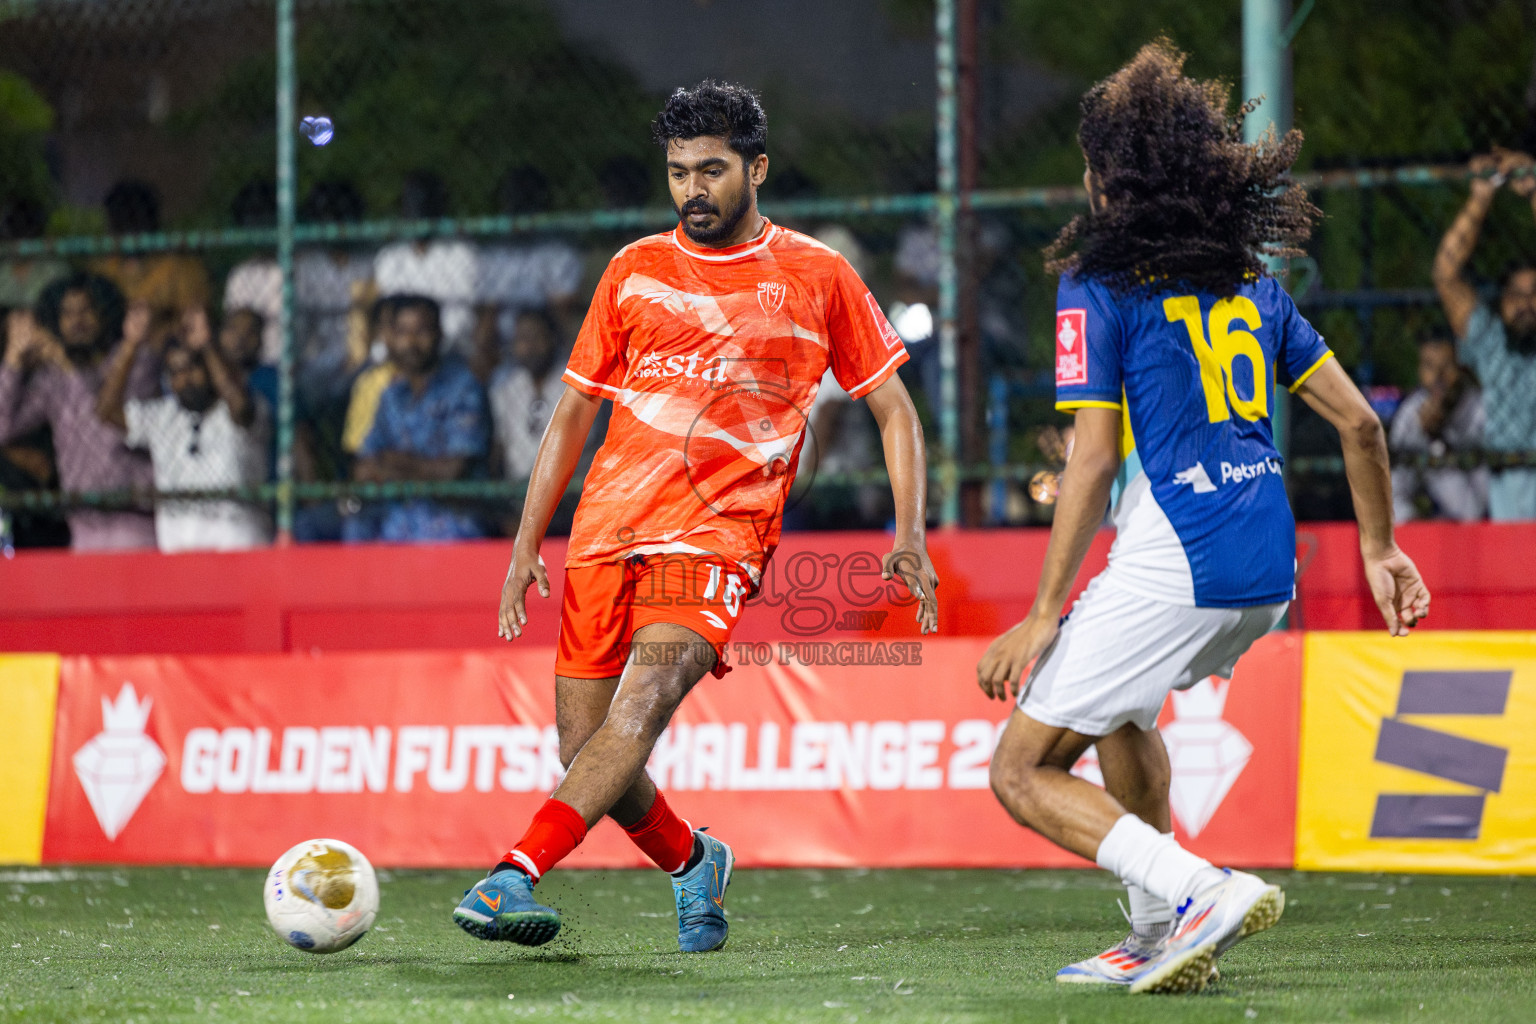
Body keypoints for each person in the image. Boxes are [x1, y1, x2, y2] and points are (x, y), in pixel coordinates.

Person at [976, 42, 1429, 995]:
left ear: (1109, 179)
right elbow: (1360, 424)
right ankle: (1156, 934)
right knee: (1122, 710)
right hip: (1268, 568)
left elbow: (1092, 460)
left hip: (1179, 555)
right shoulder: (1255, 284)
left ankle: (1198, 889)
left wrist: (1045, 609)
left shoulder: (1097, 284)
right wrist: (1381, 547)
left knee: (1020, 770)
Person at [450, 80, 938, 953]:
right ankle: (693, 860)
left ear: (756, 168)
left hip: (718, 535)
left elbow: (894, 409)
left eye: (712, 169)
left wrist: (909, 535)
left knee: (640, 709)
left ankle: (511, 873)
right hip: (606, 530)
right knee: (586, 747)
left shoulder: (819, 274)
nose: (692, 190)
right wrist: (528, 541)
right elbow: (572, 414)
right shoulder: (632, 269)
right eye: (678, 172)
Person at [0, 273, 158, 550]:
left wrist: (64, 364)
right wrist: (13, 359)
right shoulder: (52, 378)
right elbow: (3, 429)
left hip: (135, 521)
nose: (77, 321)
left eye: (86, 310)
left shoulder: (135, 359)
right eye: (67, 314)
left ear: (105, 315)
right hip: (82, 527)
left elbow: (105, 425)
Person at [98, 309, 271, 553]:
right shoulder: (163, 416)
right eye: (176, 373)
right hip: (180, 555)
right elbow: (107, 412)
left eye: (192, 369)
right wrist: (130, 346)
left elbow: (241, 408)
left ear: (211, 369)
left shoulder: (240, 408)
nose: (185, 379)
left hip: (240, 550)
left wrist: (207, 346)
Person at [1433, 148, 1536, 520]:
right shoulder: (1491, 341)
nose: (1526, 304)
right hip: (1503, 489)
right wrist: (1481, 197)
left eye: (1535, 294)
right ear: (1502, 302)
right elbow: (1445, 274)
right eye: (1517, 295)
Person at [348, 294, 489, 542]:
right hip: (395, 523)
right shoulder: (391, 395)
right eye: (403, 332)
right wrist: (421, 468)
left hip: (451, 524)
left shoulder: (464, 388)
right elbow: (364, 468)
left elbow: (451, 472)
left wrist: (393, 463)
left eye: (422, 331)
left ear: (439, 334)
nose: (411, 342)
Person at [472, 166, 583, 382]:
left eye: (527, 198)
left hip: (553, 349)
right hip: (506, 350)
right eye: (513, 199)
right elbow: (487, 316)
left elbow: (566, 315)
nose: (519, 207)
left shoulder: (559, 251)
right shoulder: (494, 254)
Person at [88, 179, 210, 342]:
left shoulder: (179, 267)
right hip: (112, 354)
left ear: (151, 219)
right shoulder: (100, 271)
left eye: (133, 215)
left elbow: (193, 321)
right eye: (119, 216)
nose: (127, 225)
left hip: (164, 352)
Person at [373, 172, 477, 357]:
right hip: (398, 352)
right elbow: (387, 316)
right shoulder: (390, 257)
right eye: (411, 203)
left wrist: (427, 344)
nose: (418, 210)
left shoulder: (461, 253)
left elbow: (461, 320)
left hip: (449, 350)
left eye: (425, 203)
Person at [1390, 337, 1487, 522]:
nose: (1438, 377)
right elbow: (1393, 494)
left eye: (1447, 366)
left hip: (1476, 531)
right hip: (1423, 532)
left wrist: (1436, 442)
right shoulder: (1410, 414)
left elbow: (1470, 513)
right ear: (1419, 371)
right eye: (1429, 366)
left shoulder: (1479, 412)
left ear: (1461, 370)